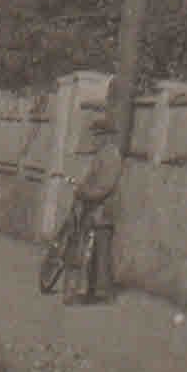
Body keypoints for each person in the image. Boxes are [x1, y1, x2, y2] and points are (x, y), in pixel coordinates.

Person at [68, 111, 122, 304]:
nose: (95, 139)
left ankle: (102, 293)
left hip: (103, 210)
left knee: (100, 252)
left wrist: (85, 193)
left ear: (106, 136)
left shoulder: (111, 156)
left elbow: (105, 186)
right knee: (92, 251)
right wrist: (82, 188)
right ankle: (93, 291)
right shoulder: (102, 155)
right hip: (94, 208)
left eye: (97, 136)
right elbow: (92, 180)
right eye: (94, 135)